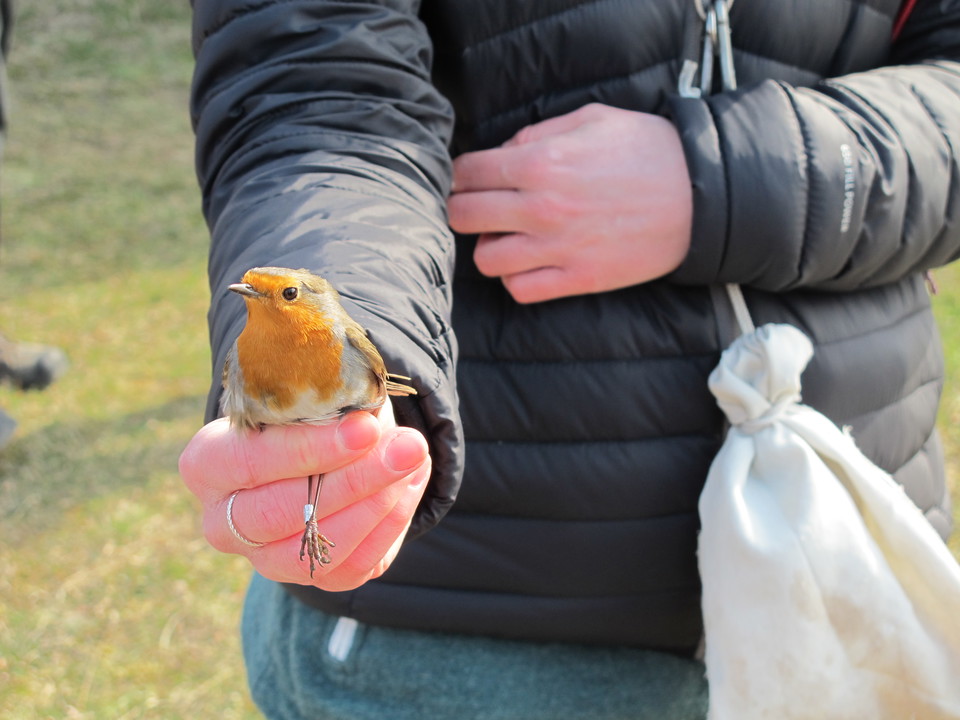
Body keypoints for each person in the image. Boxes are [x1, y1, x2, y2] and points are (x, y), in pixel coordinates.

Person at [180, 1, 960, 717]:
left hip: (854, 569)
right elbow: (314, 94)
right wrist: (357, 335)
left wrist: (721, 178)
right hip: (474, 633)